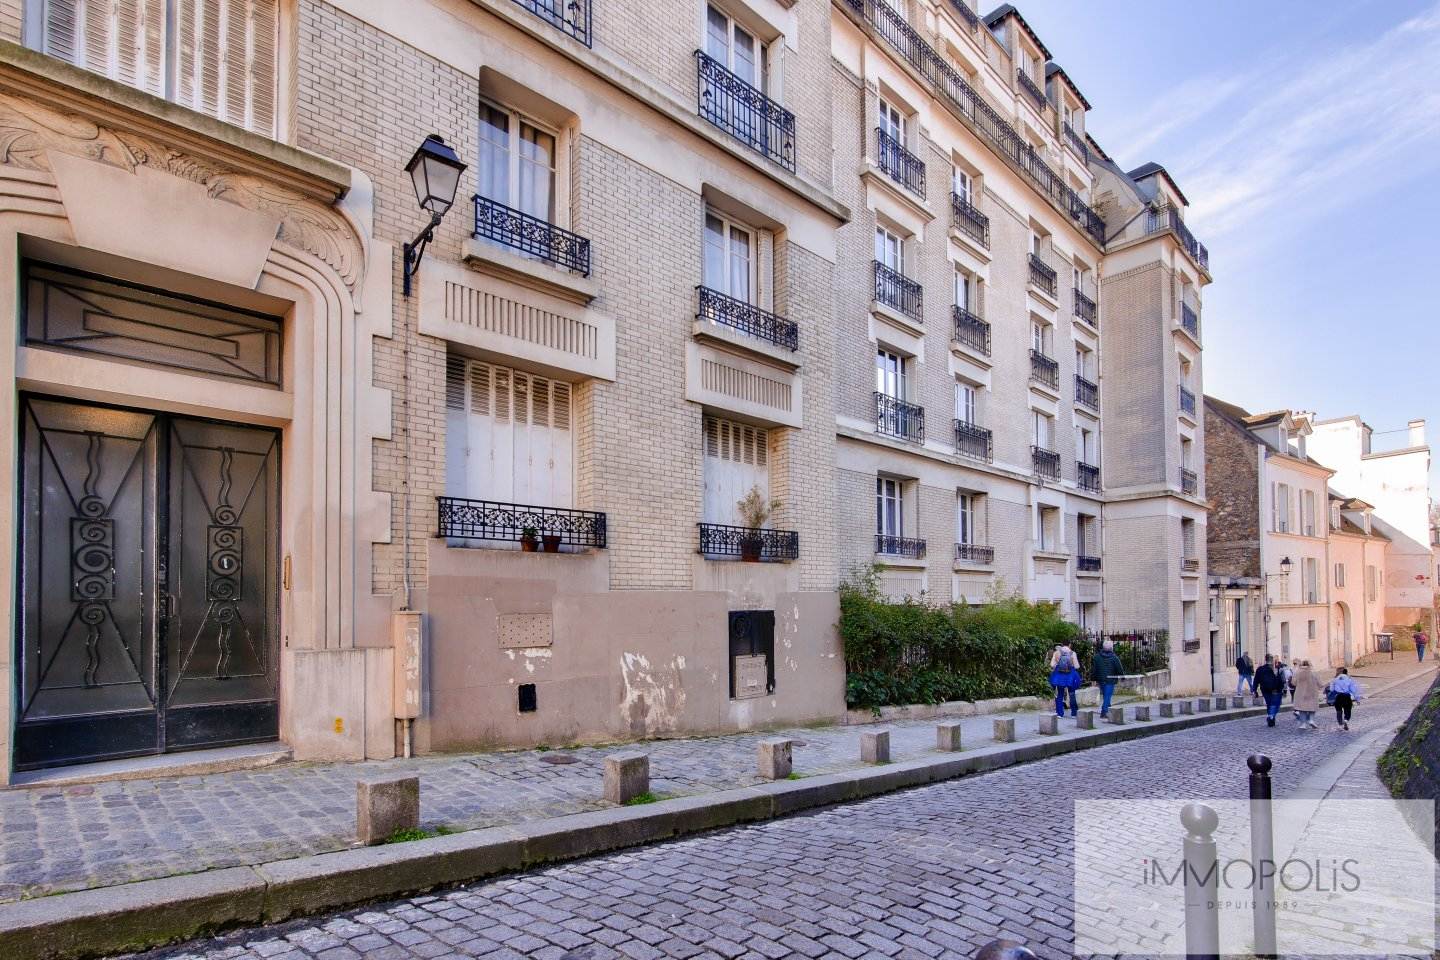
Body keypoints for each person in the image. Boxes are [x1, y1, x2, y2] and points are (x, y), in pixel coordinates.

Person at [1092, 640, 1125, 715]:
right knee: (1107, 695)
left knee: (1105, 695)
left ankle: (1108, 708)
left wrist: (1093, 679)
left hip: (1101, 679)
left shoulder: (1097, 657)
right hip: (1110, 680)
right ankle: (1104, 711)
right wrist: (1122, 676)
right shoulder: (1114, 658)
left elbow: (1094, 669)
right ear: (1111, 648)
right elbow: (1119, 668)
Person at [1050, 642, 1082, 717]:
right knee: (1072, 694)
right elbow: (1077, 666)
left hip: (1059, 676)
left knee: (1060, 694)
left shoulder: (1057, 653)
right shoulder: (1072, 653)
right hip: (1070, 676)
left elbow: (1051, 665)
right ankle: (1074, 713)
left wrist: (1057, 664)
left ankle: (1059, 713)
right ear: (1069, 645)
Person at [1253, 654, 1285, 727]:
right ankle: (1271, 717)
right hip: (1275, 689)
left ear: (1265, 660)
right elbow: (1281, 680)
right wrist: (1282, 688)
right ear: (1272, 660)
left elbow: (1256, 680)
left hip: (1265, 689)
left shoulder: (1260, 669)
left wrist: (1254, 690)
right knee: (1275, 704)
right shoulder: (1276, 669)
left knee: (1269, 704)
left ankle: (1271, 717)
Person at [1292, 660, 1321, 730]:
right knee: (1312, 707)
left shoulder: (1297, 672)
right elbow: (1319, 683)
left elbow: (1294, 683)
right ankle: (1311, 720)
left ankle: (1303, 724)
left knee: (1302, 709)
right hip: (1312, 692)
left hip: (1300, 693)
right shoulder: (1314, 672)